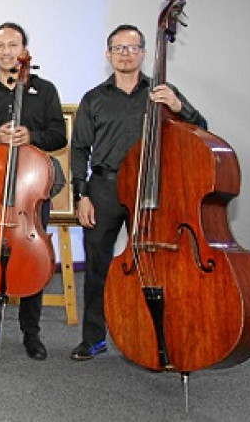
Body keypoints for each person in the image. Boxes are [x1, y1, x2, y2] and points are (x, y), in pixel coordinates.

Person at [70, 24, 206, 361]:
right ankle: (93, 338)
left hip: (150, 190)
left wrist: (177, 105)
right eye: (119, 48)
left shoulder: (162, 92)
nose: (125, 54)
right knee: (98, 264)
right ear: (108, 54)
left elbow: (200, 129)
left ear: (144, 53)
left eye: (132, 48)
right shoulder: (94, 98)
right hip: (105, 187)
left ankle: (150, 335)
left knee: (151, 265)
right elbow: (79, 149)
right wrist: (81, 195)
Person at [0, 22, 67, 360]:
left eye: (13, 45)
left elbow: (59, 136)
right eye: (0, 46)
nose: (6, 51)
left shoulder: (45, 90)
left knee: (30, 260)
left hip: (30, 194)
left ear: (24, 50)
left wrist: (31, 136)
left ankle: (30, 333)